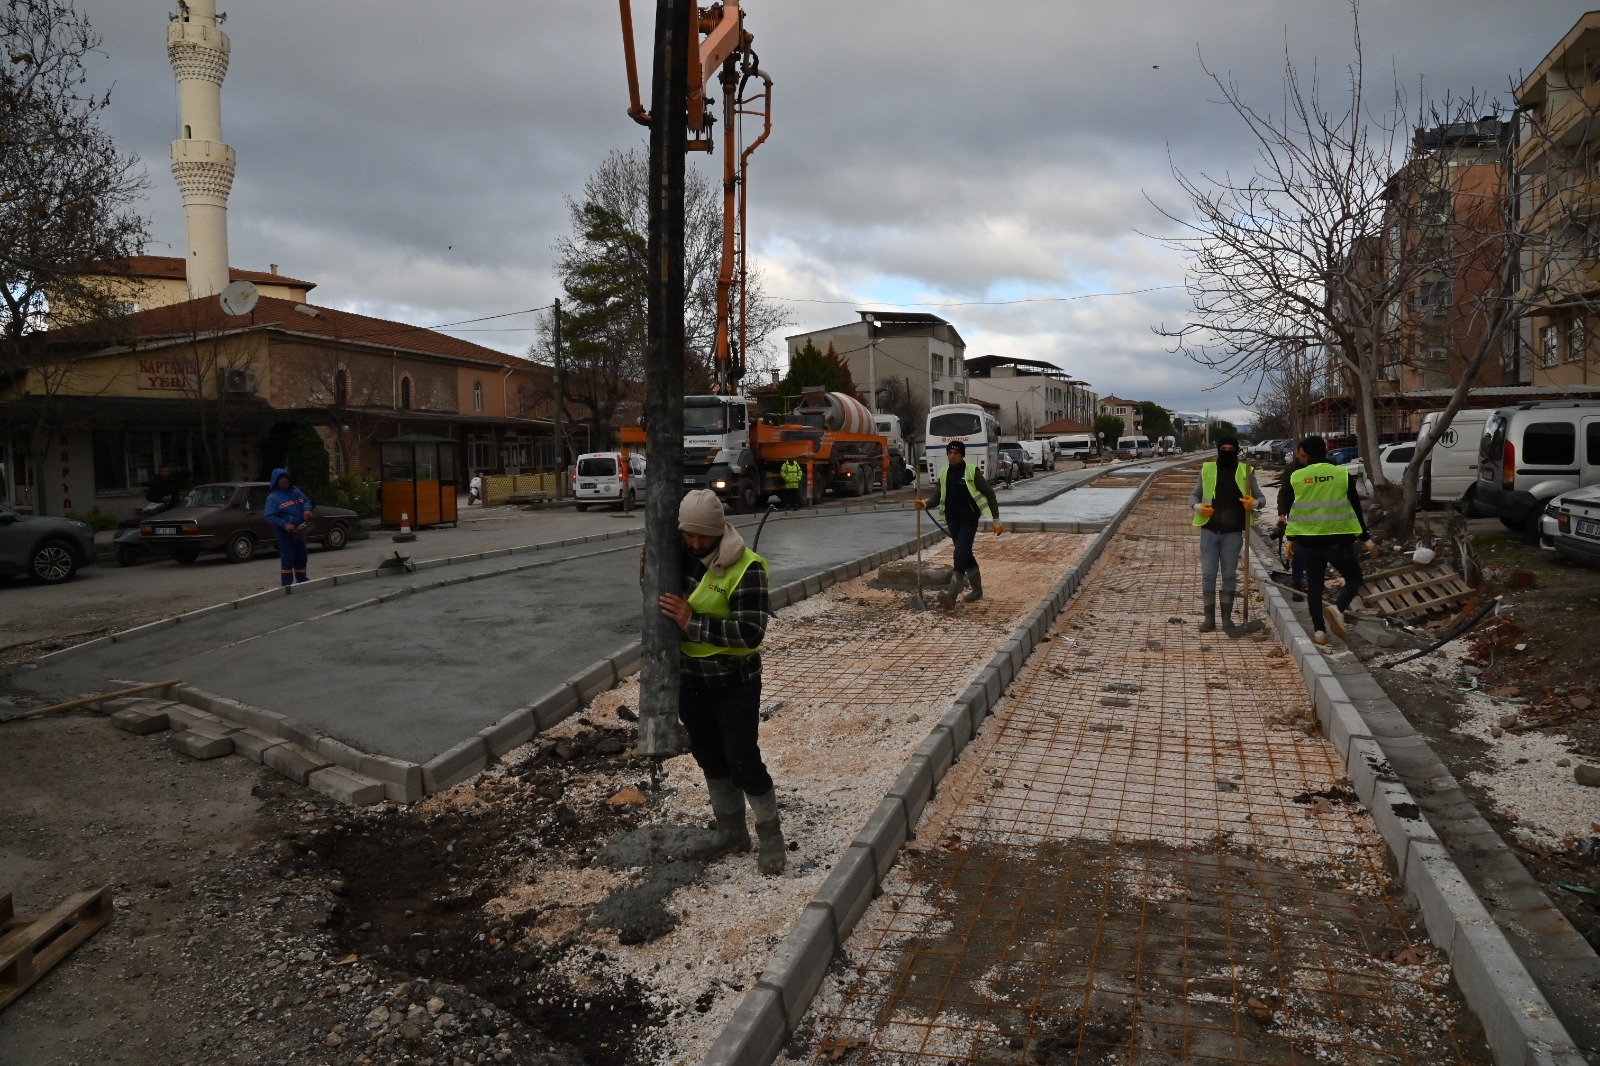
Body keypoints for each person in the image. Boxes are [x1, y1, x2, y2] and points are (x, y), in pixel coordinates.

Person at [657, 489, 786, 874]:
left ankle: (771, 835)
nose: (695, 543)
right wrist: (650, 575)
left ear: (719, 531)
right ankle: (731, 831)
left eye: (703, 537)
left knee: (743, 762)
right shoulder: (679, 557)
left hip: (733, 684)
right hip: (692, 683)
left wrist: (689, 621)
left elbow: (750, 633)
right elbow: (663, 606)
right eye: (689, 535)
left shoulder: (747, 567)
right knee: (709, 758)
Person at [1281, 435, 1379, 645]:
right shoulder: (1341, 474)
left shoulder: (1297, 477)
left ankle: (1319, 633)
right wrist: (1366, 539)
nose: (1300, 459)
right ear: (1325, 452)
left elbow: (1294, 510)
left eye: (1301, 455)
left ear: (1306, 454)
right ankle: (1337, 608)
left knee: (1315, 587)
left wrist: (1290, 538)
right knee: (1354, 577)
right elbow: (1355, 508)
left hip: (1308, 542)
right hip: (1337, 542)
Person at [1188, 436, 1265, 635]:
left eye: (1231, 448)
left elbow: (1261, 498)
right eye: (1223, 447)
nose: (1227, 450)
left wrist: (1254, 503)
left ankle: (1226, 619)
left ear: (1237, 450)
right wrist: (1196, 506)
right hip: (1209, 530)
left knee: (1229, 575)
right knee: (1208, 575)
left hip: (1233, 533)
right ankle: (1209, 619)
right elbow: (1194, 495)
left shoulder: (1245, 471)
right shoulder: (1207, 469)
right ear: (1218, 449)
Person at [918, 441, 1002, 608]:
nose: (952, 455)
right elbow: (937, 496)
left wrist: (996, 519)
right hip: (952, 520)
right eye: (949, 453)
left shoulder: (972, 471)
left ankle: (951, 596)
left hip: (968, 520)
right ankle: (977, 591)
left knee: (959, 554)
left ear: (962, 455)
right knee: (966, 555)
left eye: (955, 453)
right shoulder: (944, 472)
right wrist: (925, 504)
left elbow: (990, 493)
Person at [264, 468, 314, 587]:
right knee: (288, 560)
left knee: (301, 558)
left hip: (300, 531)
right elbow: (269, 516)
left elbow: (307, 501)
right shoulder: (273, 498)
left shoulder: (295, 491)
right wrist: (285, 525)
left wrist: (307, 509)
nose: (284, 480)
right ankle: (287, 586)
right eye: (281, 478)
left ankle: (302, 581)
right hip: (286, 534)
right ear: (276, 481)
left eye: (285, 477)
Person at [1274, 447, 1307, 601]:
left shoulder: (1325, 469)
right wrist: (1282, 514)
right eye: (1302, 456)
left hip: (1321, 520)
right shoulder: (1291, 469)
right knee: (1298, 553)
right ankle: (1298, 585)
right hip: (1298, 518)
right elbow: (1284, 492)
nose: (1305, 459)